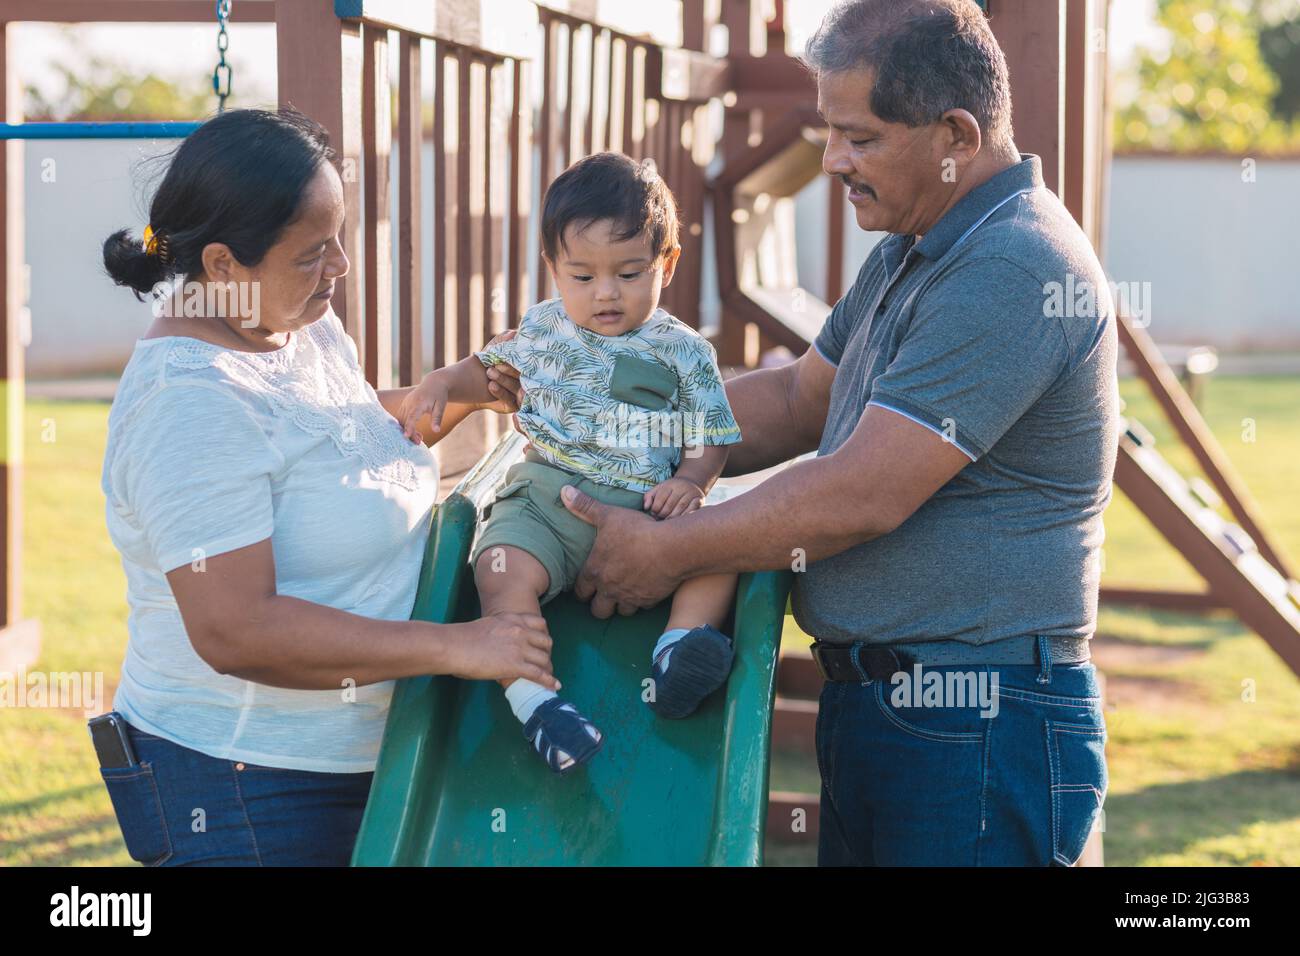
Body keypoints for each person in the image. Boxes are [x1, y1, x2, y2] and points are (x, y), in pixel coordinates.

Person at [552, 0, 1118, 865]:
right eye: (828, 130)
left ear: (955, 134)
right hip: (898, 711)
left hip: (976, 719)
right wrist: (609, 428)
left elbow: (863, 493)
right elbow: (797, 402)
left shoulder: (1013, 263)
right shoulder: (915, 244)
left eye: (859, 136)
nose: (830, 161)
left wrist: (669, 550)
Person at [97, 106, 551, 866]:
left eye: (339, 236)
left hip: (355, 758)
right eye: (312, 253)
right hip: (246, 788)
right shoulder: (189, 403)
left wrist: (458, 389)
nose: (339, 265)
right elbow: (236, 629)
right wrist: (457, 647)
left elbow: (341, 444)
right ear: (221, 267)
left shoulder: (294, 328)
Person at [398, 152, 743, 773]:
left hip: (649, 505)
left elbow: (710, 433)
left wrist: (692, 481)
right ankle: (537, 703)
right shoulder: (543, 329)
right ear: (554, 270)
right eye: (582, 277)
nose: (606, 293)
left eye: (631, 273)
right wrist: (442, 381)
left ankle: (677, 650)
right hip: (548, 499)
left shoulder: (685, 350)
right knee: (498, 569)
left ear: (667, 263)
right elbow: (486, 370)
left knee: (722, 548)